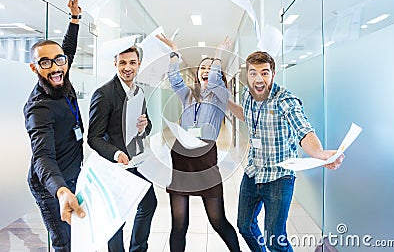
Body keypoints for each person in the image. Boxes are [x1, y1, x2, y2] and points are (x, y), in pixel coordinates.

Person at [228, 51, 344, 252]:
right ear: (247, 75)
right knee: (244, 226)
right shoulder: (247, 95)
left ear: (273, 74)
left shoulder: (286, 100)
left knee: (275, 240)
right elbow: (245, 115)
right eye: (253, 73)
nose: (259, 78)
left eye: (264, 72)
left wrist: (318, 152)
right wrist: (225, 102)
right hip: (252, 172)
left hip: (279, 178)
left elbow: (303, 130)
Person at [157, 34, 241, 252]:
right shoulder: (188, 95)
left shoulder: (221, 95)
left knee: (218, 221)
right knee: (179, 224)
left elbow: (214, 80)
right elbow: (174, 79)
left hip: (205, 160)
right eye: (202, 68)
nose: (206, 71)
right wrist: (174, 52)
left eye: (210, 68)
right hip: (181, 157)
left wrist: (217, 55)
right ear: (196, 73)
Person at [23, 0, 86, 252]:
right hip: (50, 186)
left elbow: (67, 49)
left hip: (71, 173)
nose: (55, 67)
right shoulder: (39, 108)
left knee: (78, 235)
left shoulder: (62, 72)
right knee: (64, 242)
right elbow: (42, 156)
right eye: (45, 63)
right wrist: (60, 191)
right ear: (34, 68)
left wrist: (74, 19)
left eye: (58, 60)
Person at [87, 45, 157, 252]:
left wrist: (145, 126)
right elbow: (94, 138)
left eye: (132, 63)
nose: (128, 67)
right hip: (116, 165)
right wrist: (116, 154)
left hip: (137, 161)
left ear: (139, 65)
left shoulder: (139, 91)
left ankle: (137, 248)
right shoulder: (104, 94)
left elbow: (148, 125)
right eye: (123, 62)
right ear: (115, 64)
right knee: (116, 216)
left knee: (148, 203)